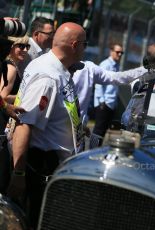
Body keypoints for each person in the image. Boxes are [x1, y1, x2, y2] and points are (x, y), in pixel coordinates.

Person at [6, 22, 86, 229]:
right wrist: (19, 174)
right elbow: (25, 124)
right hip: (39, 168)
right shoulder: (48, 76)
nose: (85, 49)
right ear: (75, 45)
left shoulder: (56, 68)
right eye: (84, 44)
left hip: (49, 168)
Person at [0, 35, 30, 193]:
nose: (24, 50)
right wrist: (22, 95)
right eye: (20, 46)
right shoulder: (10, 68)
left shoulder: (11, 66)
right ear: (10, 46)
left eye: (27, 47)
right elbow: (2, 96)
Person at [90, 43, 124, 147]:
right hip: (104, 104)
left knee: (103, 131)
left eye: (122, 53)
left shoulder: (116, 65)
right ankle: (92, 151)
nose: (120, 55)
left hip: (111, 103)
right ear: (111, 52)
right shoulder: (105, 64)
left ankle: (96, 150)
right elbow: (99, 84)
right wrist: (102, 102)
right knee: (98, 130)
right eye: (118, 52)